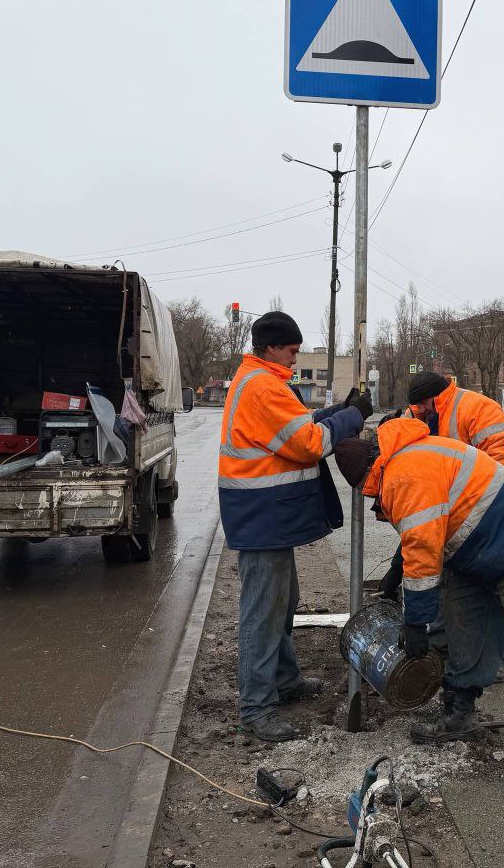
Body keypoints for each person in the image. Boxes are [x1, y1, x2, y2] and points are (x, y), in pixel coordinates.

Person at [332, 418, 504, 799]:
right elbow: (425, 531)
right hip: (473, 547)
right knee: (465, 630)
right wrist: (396, 572)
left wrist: (415, 622)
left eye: (368, 494)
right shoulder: (401, 460)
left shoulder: (401, 477)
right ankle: (459, 715)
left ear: (367, 478)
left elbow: (423, 547)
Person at [218, 310, 373, 742]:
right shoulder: (264, 386)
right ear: (270, 347)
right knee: (264, 614)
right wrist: (353, 418)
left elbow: (298, 425)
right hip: (262, 515)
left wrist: (339, 410)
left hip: (266, 515)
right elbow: (307, 444)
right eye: (291, 350)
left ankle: (284, 681)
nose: (295, 357)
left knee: (284, 603)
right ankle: (257, 707)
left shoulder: (262, 380)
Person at [379, 372, 504, 682]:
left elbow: (501, 467)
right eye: (415, 409)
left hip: (481, 513)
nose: (419, 413)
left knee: (496, 588)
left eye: (423, 407)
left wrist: (472, 512)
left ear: (434, 398)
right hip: (442, 513)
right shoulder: (416, 412)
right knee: (437, 578)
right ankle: (441, 644)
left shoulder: (479, 409)